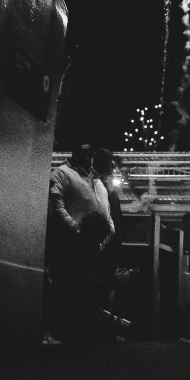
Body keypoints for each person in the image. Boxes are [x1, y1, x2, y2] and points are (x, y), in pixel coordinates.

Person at [45, 144, 112, 344]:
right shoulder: (61, 174)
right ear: (75, 156)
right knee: (67, 287)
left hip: (91, 244)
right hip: (69, 244)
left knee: (84, 290)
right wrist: (75, 229)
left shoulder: (94, 182)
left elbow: (105, 213)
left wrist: (102, 238)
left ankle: (77, 332)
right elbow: (57, 206)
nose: (89, 160)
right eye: (84, 155)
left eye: (90, 156)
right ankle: (59, 332)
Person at [88, 147, 125, 342]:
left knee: (96, 291)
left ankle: (97, 331)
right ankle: (103, 332)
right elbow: (114, 226)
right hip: (106, 249)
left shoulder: (93, 185)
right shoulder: (109, 190)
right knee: (104, 292)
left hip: (96, 248)